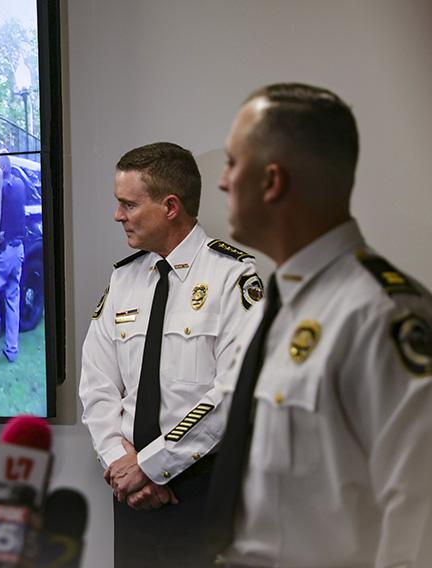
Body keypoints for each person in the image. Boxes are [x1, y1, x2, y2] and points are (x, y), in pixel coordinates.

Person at [203, 83, 432, 568]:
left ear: (272, 181)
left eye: (232, 163)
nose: (221, 181)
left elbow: (422, 515)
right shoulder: (280, 302)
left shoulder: (381, 315)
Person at [78, 142, 263, 567]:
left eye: (128, 204)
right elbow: (96, 384)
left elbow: (235, 392)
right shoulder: (124, 279)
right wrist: (122, 463)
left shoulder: (232, 278)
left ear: (171, 206)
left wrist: (153, 466)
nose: (117, 215)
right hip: (130, 491)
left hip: (201, 489)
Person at [0, 154, 26, 363]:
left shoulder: (1, 187)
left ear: (0, 168)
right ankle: (12, 350)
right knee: (13, 300)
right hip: (18, 249)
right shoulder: (20, 184)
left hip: (4, 254)